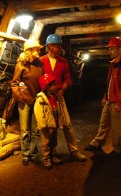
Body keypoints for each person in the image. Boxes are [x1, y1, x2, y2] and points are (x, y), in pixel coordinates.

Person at [40, 34, 87, 162]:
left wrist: (62, 89)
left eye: (59, 45)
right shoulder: (42, 61)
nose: (59, 48)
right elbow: (38, 79)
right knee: (51, 126)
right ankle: (52, 153)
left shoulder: (63, 61)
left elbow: (68, 78)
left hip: (59, 96)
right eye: (56, 45)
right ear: (49, 46)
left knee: (67, 124)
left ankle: (74, 151)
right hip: (46, 98)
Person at [84, 37, 121, 156]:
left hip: (118, 101)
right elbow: (110, 82)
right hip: (110, 99)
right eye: (110, 49)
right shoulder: (113, 64)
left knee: (118, 126)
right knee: (104, 122)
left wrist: (120, 103)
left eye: (112, 49)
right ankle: (98, 143)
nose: (109, 51)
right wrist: (105, 97)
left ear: (119, 49)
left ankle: (118, 149)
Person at [11, 39, 44, 166]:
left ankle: (33, 154)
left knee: (35, 129)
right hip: (24, 101)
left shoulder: (40, 64)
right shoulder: (22, 65)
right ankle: (25, 155)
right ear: (30, 51)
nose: (39, 51)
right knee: (25, 130)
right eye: (37, 49)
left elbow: (42, 80)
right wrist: (20, 97)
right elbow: (14, 83)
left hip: (37, 101)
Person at [34, 73, 61, 169]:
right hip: (46, 126)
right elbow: (39, 114)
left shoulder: (53, 97)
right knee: (46, 143)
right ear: (47, 86)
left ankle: (52, 156)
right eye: (53, 84)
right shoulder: (41, 100)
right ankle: (46, 159)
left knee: (53, 141)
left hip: (53, 123)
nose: (55, 86)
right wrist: (42, 125)